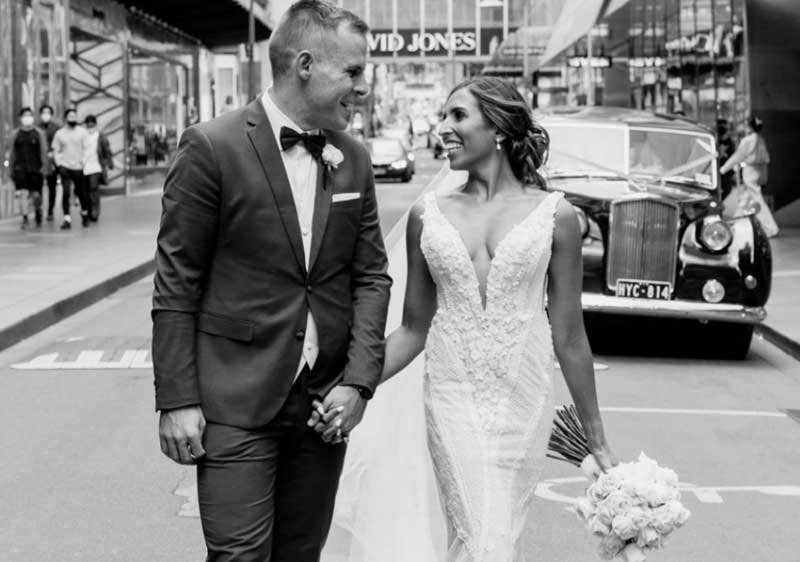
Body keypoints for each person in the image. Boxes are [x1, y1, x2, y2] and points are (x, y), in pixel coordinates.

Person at [315, 77, 616, 561]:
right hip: (451, 396)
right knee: (484, 536)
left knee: (491, 534)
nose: (443, 129)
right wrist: (353, 383)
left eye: (458, 116)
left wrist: (596, 440)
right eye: (443, 117)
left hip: (524, 402)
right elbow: (414, 328)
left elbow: (570, 336)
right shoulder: (426, 215)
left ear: (497, 127)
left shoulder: (556, 217)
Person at [151, 1, 391, 560]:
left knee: (299, 556)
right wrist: (177, 398)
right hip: (234, 401)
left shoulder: (352, 157)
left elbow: (371, 277)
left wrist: (357, 383)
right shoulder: (211, 146)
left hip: (323, 407)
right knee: (239, 556)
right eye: (352, 72)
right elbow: (176, 281)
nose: (363, 87)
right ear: (305, 64)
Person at [720, 114, 779, 237]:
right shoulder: (760, 139)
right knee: (745, 200)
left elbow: (738, 156)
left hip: (750, 173)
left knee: (757, 200)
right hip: (759, 173)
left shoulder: (748, 140)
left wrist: (723, 169)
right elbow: (766, 158)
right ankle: (736, 225)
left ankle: (771, 228)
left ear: (749, 126)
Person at [7, 107, 47, 228]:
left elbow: (44, 151)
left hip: (36, 169)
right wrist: (10, 168)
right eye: (25, 115)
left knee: (35, 195)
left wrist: (44, 167)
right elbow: (11, 152)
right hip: (20, 168)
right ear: (20, 118)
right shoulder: (15, 134)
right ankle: (25, 218)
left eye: (29, 115)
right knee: (23, 193)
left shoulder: (39, 133)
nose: (27, 118)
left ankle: (38, 210)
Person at [52, 108, 90, 229]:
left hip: (79, 167)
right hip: (65, 167)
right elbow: (55, 150)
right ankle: (67, 218)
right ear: (65, 118)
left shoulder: (82, 132)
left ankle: (84, 214)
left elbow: (87, 149)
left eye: (74, 116)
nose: (72, 118)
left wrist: (84, 162)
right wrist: (59, 164)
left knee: (81, 193)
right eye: (70, 116)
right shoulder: (60, 133)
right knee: (66, 192)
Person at [81, 114, 113, 222]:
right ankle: (88, 210)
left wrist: (109, 163)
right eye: (88, 125)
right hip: (83, 167)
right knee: (85, 191)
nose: (90, 127)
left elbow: (107, 151)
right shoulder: (82, 136)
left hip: (96, 167)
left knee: (94, 189)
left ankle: (95, 212)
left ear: (95, 124)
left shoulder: (101, 136)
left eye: (92, 124)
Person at [37, 104, 60, 222]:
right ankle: (38, 208)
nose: (45, 115)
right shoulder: (37, 127)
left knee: (52, 187)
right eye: (43, 112)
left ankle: (50, 210)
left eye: (48, 112)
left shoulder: (56, 128)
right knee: (38, 187)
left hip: (52, 162)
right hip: (39, 162)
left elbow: (60, 144)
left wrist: (53, 154)